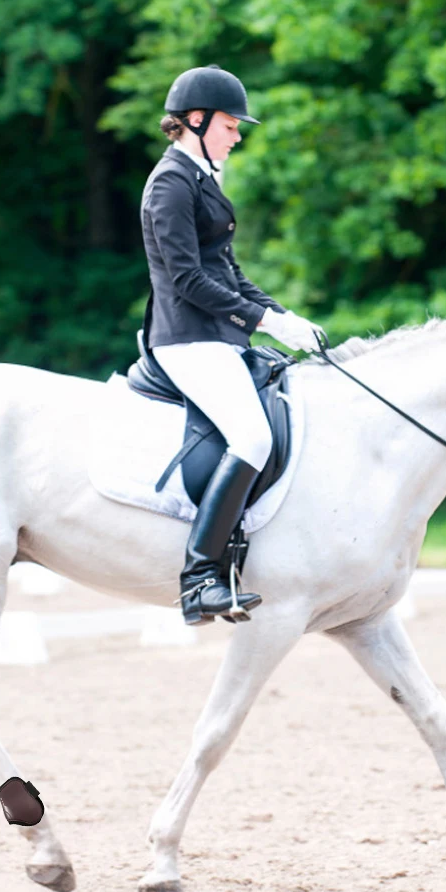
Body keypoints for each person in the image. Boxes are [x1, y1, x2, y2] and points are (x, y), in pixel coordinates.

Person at [140, 64, 323, 625]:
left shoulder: (201, 179)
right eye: (229, 124)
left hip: (216, 335)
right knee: (251, 434)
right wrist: (262, 320)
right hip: (186, 339)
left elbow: (229, 271)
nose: (237, 134)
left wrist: (283, 315)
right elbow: (188, 279)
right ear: (195, 121)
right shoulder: (170, 184)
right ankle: (199, 577)